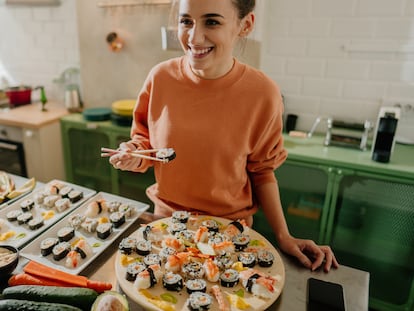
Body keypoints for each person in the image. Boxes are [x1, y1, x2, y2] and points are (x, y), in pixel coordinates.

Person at [108, 0, 338, 272]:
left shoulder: (262, 94)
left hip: (229, 235)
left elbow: (262, 172)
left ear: (245, 24)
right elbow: (146, 144)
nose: (194, 37)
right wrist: (134, 155)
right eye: (186, 21)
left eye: (212, 22)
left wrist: (284, 237)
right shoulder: (160, 78)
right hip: (166, 226)